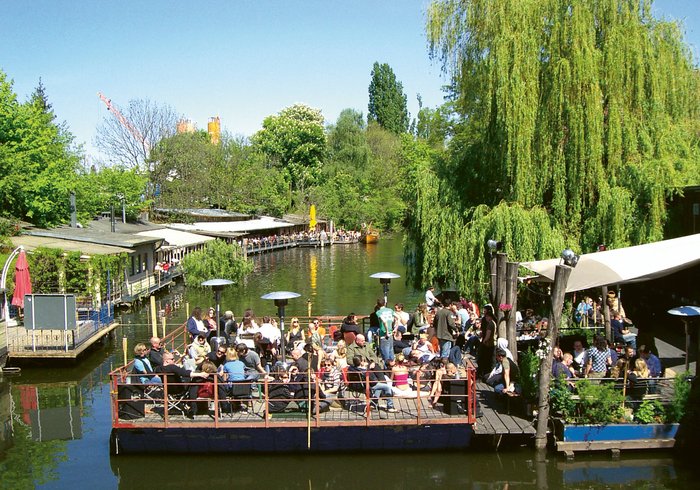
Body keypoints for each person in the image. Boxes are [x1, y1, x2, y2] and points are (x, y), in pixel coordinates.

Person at [476, 305, 496, 379]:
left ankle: (483, 374)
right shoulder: (491, 321)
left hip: (487, 343)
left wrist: (484, 341)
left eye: (485, 311)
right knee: (486, 359)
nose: (484, 313)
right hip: (488, 342)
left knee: (484, 359)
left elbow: (488, 334)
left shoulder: (490, 323)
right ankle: (485, 373)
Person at [375, 299, 396, 363]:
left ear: (378, 305)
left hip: (384, 334)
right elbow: (398, 318)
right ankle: (392, 366)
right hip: (391, 332)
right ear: (385, 303)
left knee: (385, 352)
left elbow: (384, 321)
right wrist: (395, 328)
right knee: (391, 350)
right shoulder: (390, 310)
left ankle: (386, 369)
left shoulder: (378, 312)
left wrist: (386, 331)